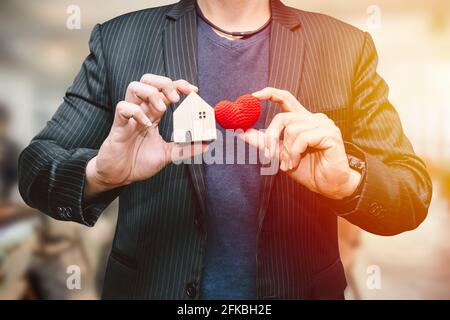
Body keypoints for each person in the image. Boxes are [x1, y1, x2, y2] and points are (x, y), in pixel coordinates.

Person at [18, 0, 432, 300]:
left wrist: (348, 182)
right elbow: (36, 170)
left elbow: (410, 194)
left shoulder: (345, 47)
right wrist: (98, 173)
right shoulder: (121, 40)